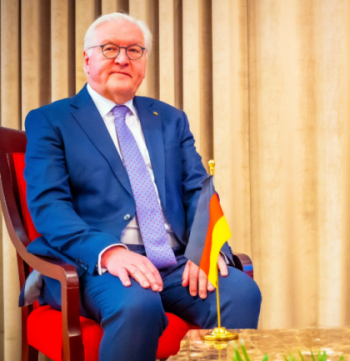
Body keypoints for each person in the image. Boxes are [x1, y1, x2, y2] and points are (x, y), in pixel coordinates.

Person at [23, 13, 261, 361]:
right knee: (138, 303)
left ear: (144, 62)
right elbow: (49, 206)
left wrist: (203, 248)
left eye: (134, 50)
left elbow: (198, 189)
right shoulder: (51, 120)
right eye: (110, 48)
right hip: (94, 264)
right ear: (87, 59)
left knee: (241, 292)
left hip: (173, 261)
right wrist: (110, 252)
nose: (123, 58)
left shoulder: (169, 119)